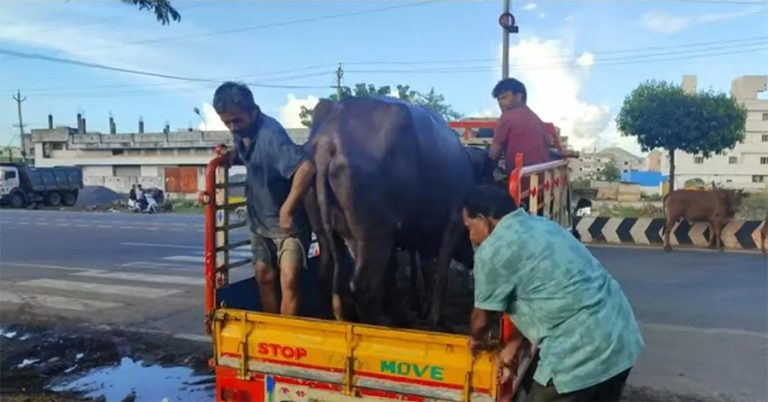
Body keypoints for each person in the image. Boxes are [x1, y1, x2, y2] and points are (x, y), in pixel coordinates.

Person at [464, 186, 644, 402]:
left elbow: (482, 318)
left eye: (469, 227)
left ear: (484, 220)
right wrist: (514, 343)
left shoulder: (494, 249)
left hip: (579, 353)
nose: (470, 237)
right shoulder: (542, 226)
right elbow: (546, 292)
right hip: (621, 336)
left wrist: (476, 339)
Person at [213, 81, 315, 316]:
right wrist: (233, 154)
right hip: (260, 222)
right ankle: (270, 331)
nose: (232, 127)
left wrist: (287, 209)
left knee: (289, 282)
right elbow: (250, 154)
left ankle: (286, 340)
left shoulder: (271, 136)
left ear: (253, 111)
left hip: (288, 226)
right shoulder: (242, 133)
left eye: (236, 120)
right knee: (264, 277)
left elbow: (306, 167)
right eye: (226, 122)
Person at [489, 78, 554, 172]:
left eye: (504, 97)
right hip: (541, 175)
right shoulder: (536, 119)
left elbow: (494, 154)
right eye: (498, 99)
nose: (500, 102)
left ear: (518, 96)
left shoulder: (507, 117)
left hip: (521, 180)